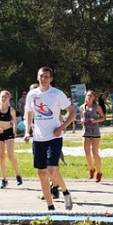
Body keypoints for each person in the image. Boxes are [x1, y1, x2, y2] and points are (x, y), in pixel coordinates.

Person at [24, 66, 75, 211]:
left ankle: (65, 191)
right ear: (37, 77)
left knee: (52, 170)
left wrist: (62, 127)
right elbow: (29, 114)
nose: (43, 79)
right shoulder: (32, 95)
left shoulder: (57, 94)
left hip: (54, 137)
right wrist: (27, 131)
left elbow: (72, 113)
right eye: (41, 76)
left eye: (46, 77)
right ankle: (50, 206)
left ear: (51, 79)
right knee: (41, 173)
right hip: (38, 139)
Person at [0, 90, 23, 189]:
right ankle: (4, 179)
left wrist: (14, 132)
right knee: (1, 157)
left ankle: (18, 175)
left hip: (8, 132)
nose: (3, 99)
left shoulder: (11, 110)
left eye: (5, 97)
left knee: (10, 156)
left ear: (9, 98)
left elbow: (14, 121)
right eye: (2, 97)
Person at [80, 90, 106, 182]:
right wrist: (82, 120)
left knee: (95, 153)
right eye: (88, 95)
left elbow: (103, 117)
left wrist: (95, 121)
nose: (89, 97)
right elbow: (81, 117)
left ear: (94, 97)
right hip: (86, 131)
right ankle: (91, 168)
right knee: (87, 152)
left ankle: (99, 172)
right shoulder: (83, 107)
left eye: (91, 95)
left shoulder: (97, 107)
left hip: (95, 131)